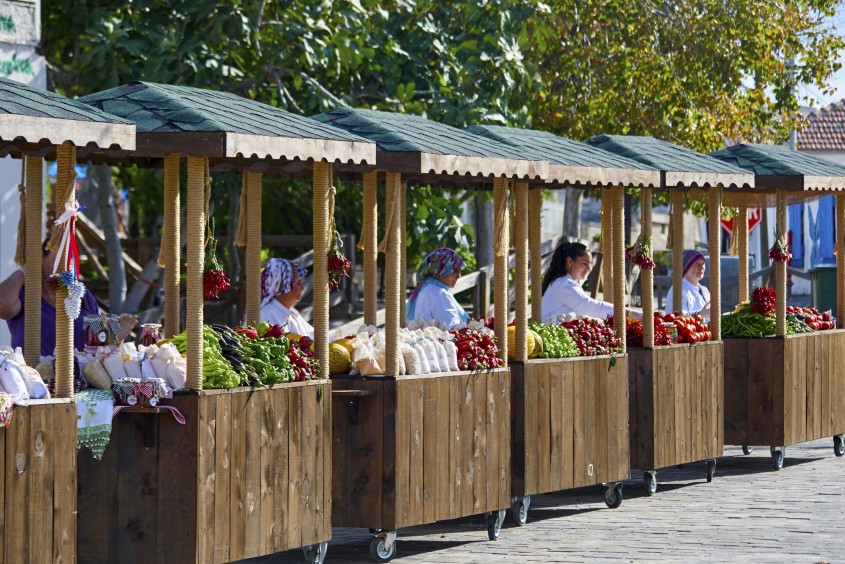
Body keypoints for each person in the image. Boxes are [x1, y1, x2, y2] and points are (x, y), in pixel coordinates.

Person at [0, 239, 138, 357]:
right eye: (59, 259)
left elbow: (97, 345)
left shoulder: (81, 294)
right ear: (41, 258)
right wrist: (26, 269)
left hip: (80, 383)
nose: (64, 266)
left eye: (69, 260)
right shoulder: (24, 295)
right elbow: (2, 303)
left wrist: (117, 337)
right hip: (35, 382)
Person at [541, 240, 640, 323]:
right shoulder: (563, 284)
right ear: (570, 261)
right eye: (585, 263)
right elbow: (590, 306)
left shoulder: (563, 281)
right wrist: (631, 314)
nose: (589, 269)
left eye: (590, 264)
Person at [406, 247, 469, 329]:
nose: (459, 276)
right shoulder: (438, 293)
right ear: (440, 271)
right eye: (455, 271)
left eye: (460, 271)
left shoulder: (426, 288)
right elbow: (454, 328)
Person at [259, 258, 314, 338]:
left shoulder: (293, 314)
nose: (302, 288)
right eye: (298, 283)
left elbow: (314, 336)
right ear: (283, 286)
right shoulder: (265, 315)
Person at [665, 249, 710, 315]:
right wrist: (699, 314)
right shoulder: (678, 290)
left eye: (703, 263)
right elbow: (674, 317)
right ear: (686, 267)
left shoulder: (704, 290)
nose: (701, 267)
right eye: (697, 264)